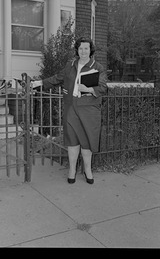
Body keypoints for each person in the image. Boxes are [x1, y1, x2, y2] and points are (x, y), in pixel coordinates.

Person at [31, 37, 108, 184]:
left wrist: (89, 89)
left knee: (86, 141)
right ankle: (72, 170)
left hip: (89, 110)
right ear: (77, 50)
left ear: (90, 50)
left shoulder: (98, 67)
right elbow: (57, 78)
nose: (83, 51)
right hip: (71, 109)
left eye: (86, 48)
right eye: (80, 48)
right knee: (72, 140)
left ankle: (88, 170)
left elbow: (103, 87)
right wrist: (39, 83)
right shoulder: (70, 65)